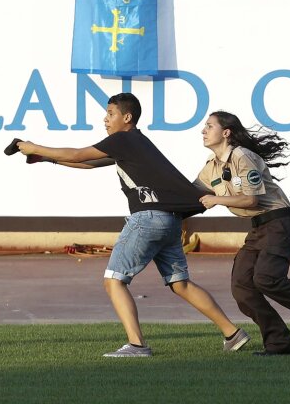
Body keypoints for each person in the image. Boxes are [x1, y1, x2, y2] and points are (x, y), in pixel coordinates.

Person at [13, 93, 248, 358]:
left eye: (111, 113)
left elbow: (79, 154)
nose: (105, 118)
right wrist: (47, 158)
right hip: (170, 221)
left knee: (114, 281)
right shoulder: (134, 143)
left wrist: (36, 147)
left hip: (147, 219)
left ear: (127, 118)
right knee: (180, 283)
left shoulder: (123, 139)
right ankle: (233, 333)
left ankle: (137, 345)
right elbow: (88, 163)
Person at [193, 110, 290, 355]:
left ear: (226, 132)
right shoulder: (212, 167)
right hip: (258, 228)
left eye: (209, 126)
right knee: (242, 287)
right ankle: (278, 343)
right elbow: (192, 194)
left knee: (266, 279)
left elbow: (251, 200)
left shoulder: (243, 156)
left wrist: (217, 199)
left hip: (278, 224)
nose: (203, 130)